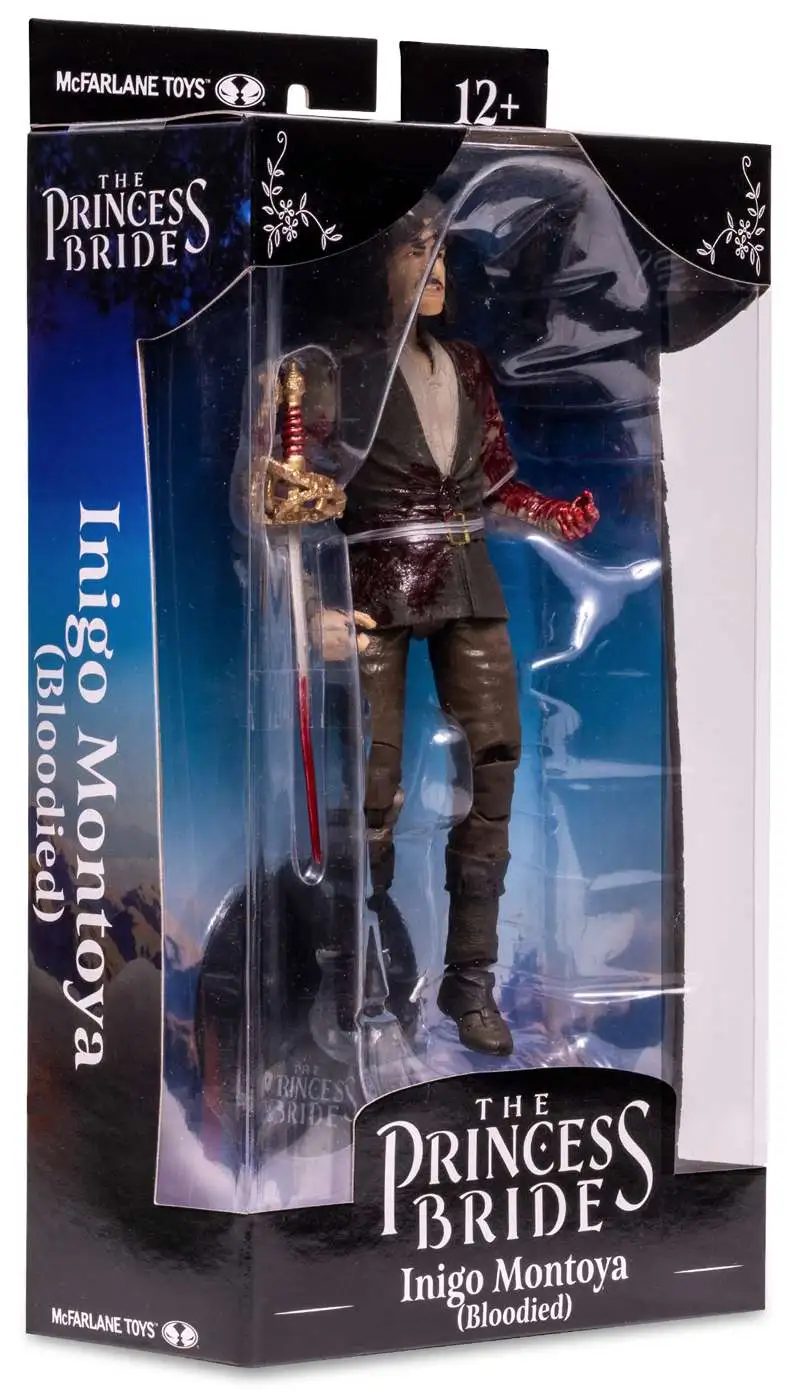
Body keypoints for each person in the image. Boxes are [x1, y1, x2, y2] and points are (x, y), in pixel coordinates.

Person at [340, 208, 598, 1057]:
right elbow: (290, 500)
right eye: (417, 249)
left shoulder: (469, 365)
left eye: (444, 249)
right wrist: (310, 603)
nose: (436, 266)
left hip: (464, 574)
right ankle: (364, 977)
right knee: (372, 784)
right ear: (380, 266)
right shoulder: (342, 371)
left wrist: (550, 513)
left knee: (494, 766)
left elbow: (491, 484)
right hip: (374, 583)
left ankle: (470, 979)